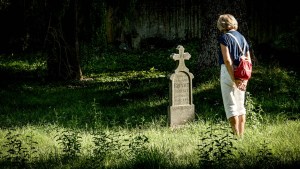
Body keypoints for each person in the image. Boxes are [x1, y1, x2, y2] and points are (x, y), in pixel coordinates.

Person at [217, 14, 251, 137]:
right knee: (240, 105)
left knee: (230, 105)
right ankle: (241, 135)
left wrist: (233, 78)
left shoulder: (224, 38)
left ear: (222, 25)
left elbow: (227, 60)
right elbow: (249, 60)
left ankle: (236, 136)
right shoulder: (242, 37)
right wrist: (244, 79)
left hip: (228, 72)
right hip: (242, 72)